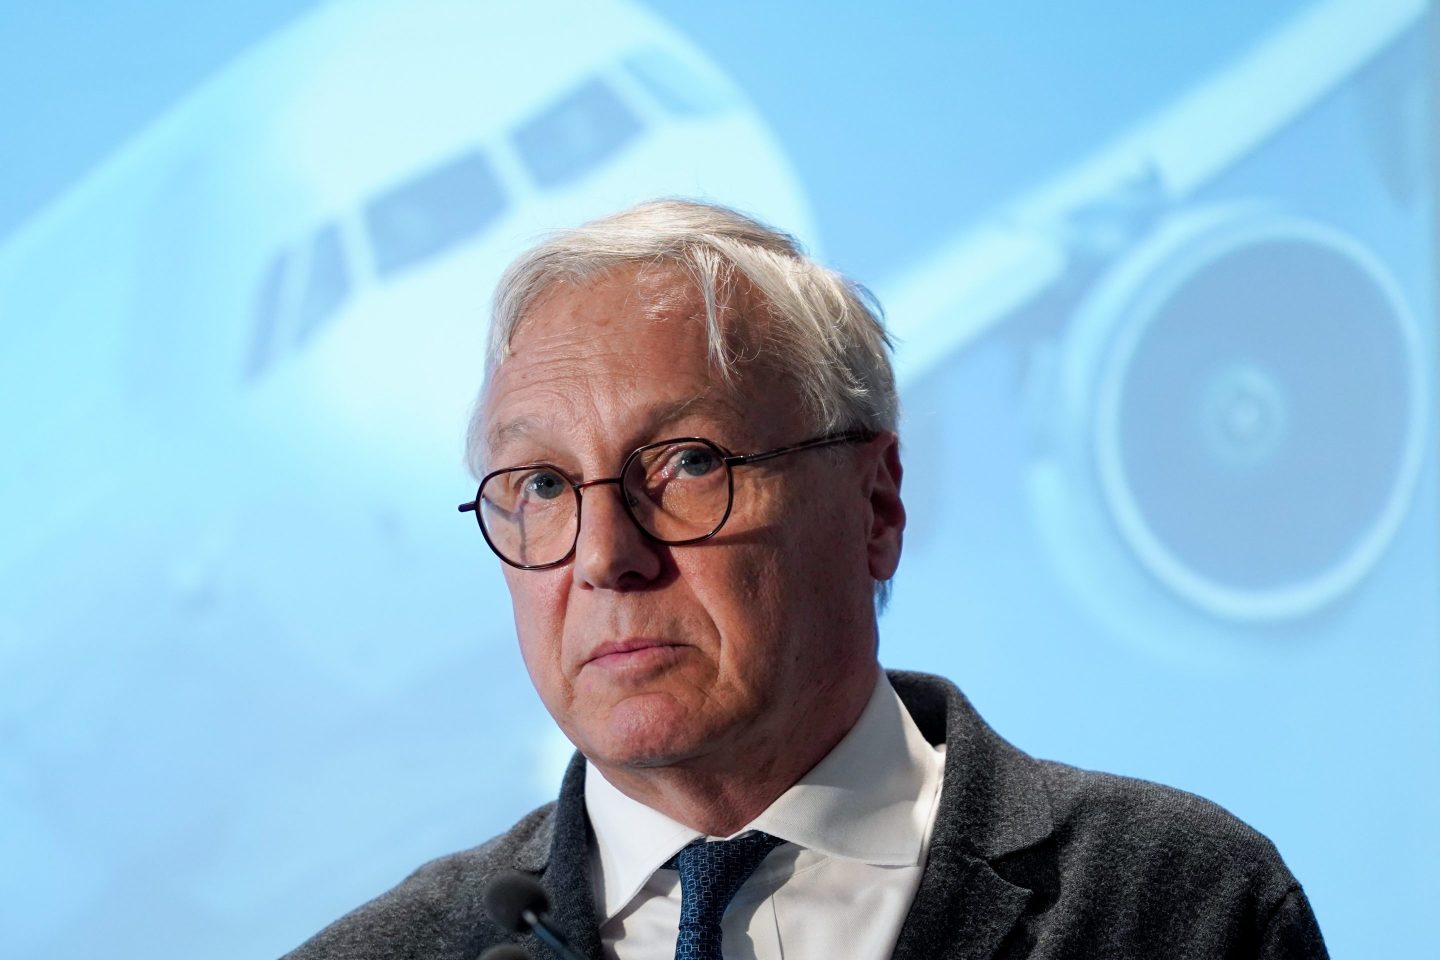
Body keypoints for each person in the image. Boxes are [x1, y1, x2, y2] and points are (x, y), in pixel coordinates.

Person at [285, 199, 1327, 959]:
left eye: (688, 465)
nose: (606, 557)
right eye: (545, 485)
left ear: (875, 506)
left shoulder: (1183, 910)